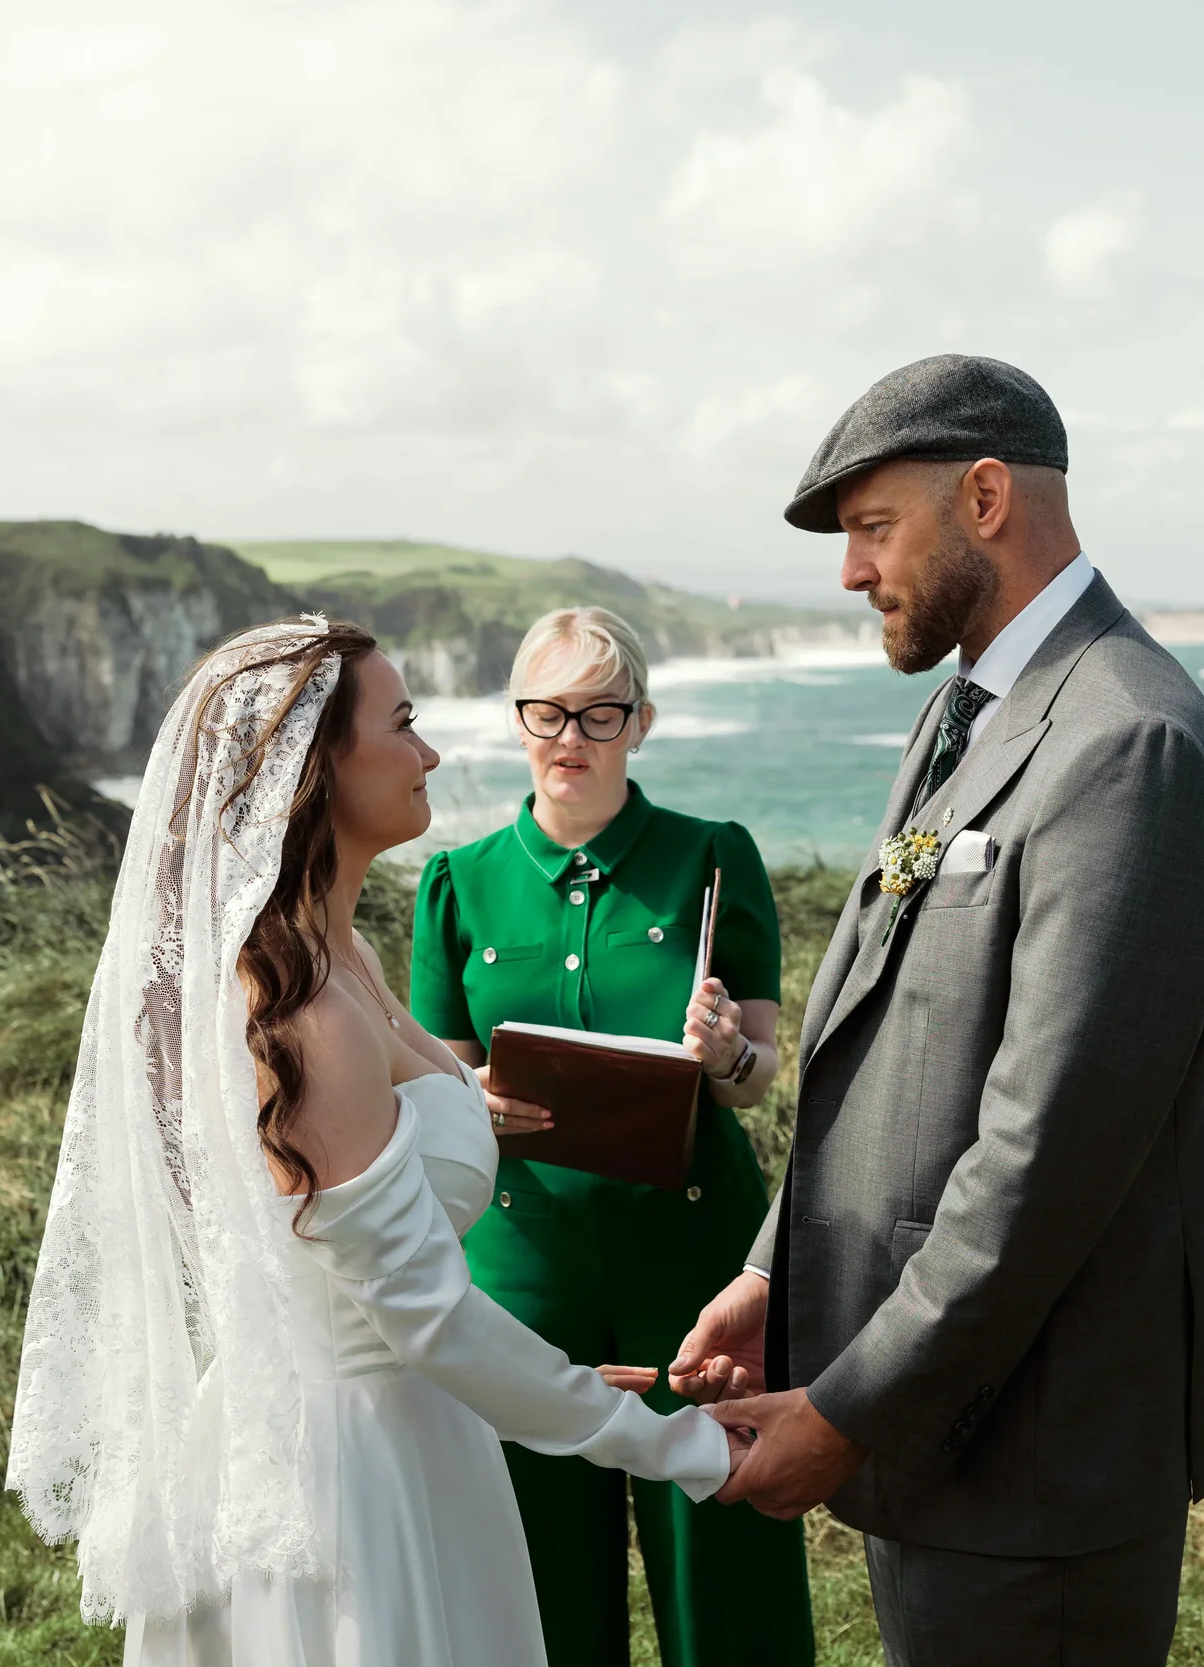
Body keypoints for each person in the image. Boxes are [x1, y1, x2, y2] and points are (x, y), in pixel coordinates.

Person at [671, 356, 1204, 1667]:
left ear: (989, 494)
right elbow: (878, 1030)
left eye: (872, 529)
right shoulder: (968, 711)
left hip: (1042, 1454)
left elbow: (1046, 1155)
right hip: (948, 1423)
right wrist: (772, 1272)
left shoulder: (1128, 744)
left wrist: (849, 1403)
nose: (852, 573)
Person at [7, 616, 737, 1666]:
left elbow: (386, 1275)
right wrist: (678, 1444)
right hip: (345, 1481)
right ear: (316, 767)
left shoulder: (342, 952)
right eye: (402, 723)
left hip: (415, 1429)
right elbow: (425, 1316)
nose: (430, 752)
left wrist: (554, 1372)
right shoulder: (298, 1010)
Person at [406, 607, 814, 1667]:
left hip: (693, 1266)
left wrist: (725, 1050)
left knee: (721, 1569)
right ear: (516, 719)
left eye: (598, 712)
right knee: (536, 1577)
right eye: (546, 712)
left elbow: (757, 1079)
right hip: (520, 1271)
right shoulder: (456, 881)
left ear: (642, 720)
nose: (569, 738)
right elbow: (437, 1075)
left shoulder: (713, 857)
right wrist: (473, 1098)